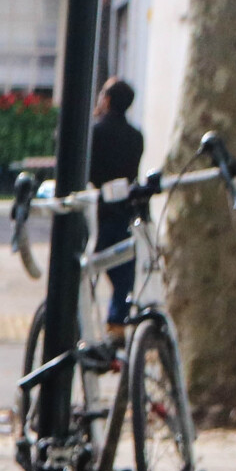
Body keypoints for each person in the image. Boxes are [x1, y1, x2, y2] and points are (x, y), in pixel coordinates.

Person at [88, 77, 145, 356]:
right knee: (123, 274)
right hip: (121, 213)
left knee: (84, 271)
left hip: (94, 212)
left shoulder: (94, 133)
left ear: (107, 100)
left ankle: (80, 325)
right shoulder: (136, 137)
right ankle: (116, 326)